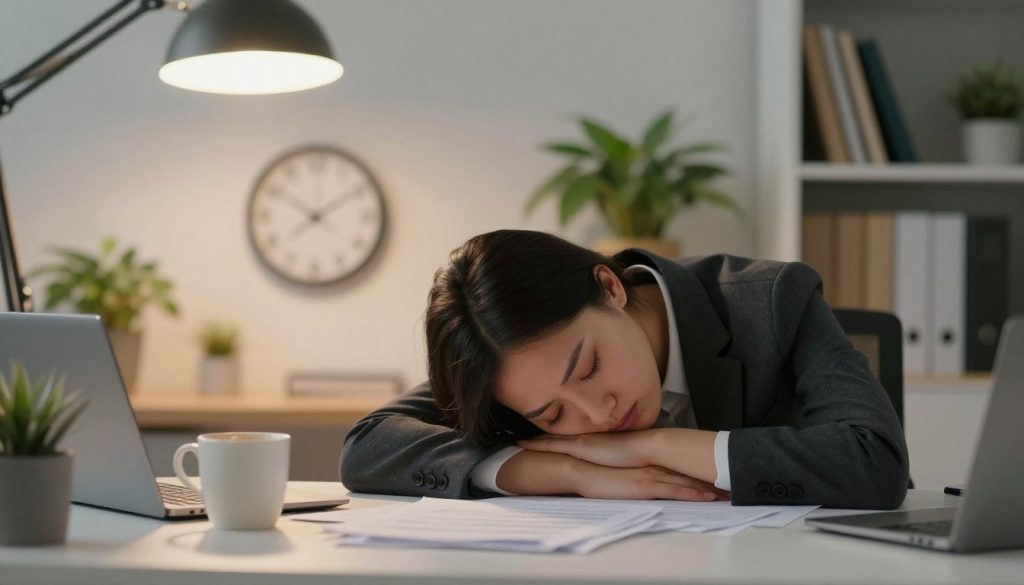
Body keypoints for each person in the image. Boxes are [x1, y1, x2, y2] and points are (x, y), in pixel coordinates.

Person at [340, 230, 909, 508]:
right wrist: (572, 474)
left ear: (610, 287)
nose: (597, 416)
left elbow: (874, 462)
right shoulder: (504, 360)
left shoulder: (773, 301)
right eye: (552, 415)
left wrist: (652, 446)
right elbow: (369, 446)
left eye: (589, 368)